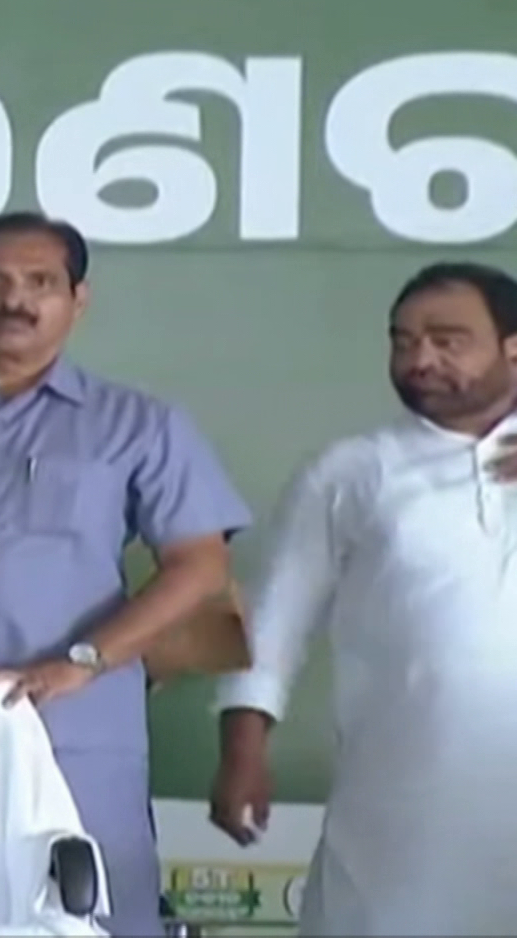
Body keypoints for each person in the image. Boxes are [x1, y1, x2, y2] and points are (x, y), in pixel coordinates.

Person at [0, 211, 251, 937]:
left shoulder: (139, 424)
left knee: (92, 912)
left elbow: (199, 566)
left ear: (77, 300)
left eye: (40, 282)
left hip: (73, 724)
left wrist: (82, 661)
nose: (14, 299)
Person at [209, 262, 517, 935]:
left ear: (512, 348)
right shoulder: (352, 470)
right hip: (401, 810)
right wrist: (242, 752)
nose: (419, 360)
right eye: (403, 341)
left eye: (447, 340)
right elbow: (275, 624)